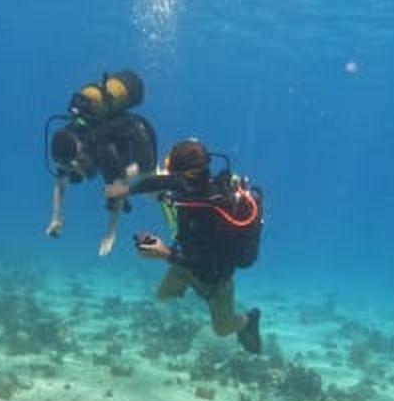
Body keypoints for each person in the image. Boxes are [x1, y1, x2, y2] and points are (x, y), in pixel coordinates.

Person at [106, 138, 263, 354]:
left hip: (215, 279)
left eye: (173, 172)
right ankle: (190, 290)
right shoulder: (191, 182)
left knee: (223, 329)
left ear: (184, 175)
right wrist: (126, 190)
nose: (171, 178)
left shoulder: (216, 209)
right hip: (185, 262)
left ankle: (249, 320)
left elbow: (210, 262)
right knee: (162, 295)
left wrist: (165, 253)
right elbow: (158, 183)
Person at [44, 70, 157, 255]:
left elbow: (119, 186)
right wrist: (55, 217)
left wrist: (110, 234)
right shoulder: (67, 140)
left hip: (143, 139)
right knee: (107, 184)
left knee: (130, 183)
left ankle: (166, 183)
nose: (70, 171)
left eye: (72, 167)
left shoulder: (104, 150)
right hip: (114, 139)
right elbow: (60, 182)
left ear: (79, 156)